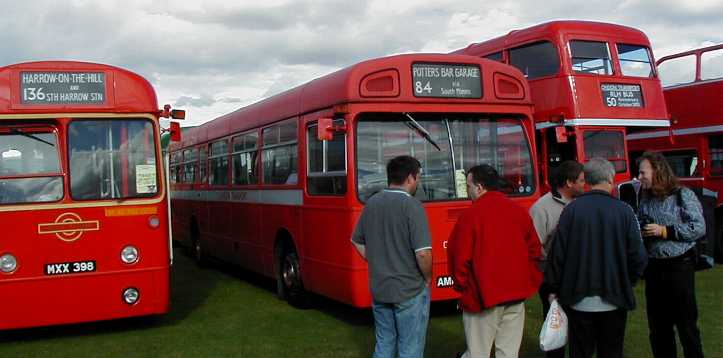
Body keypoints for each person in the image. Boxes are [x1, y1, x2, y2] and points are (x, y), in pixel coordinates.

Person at [545, 158, 648, 358]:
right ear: (610, 179)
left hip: (578, 297)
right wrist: (628, 280)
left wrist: (553, 287)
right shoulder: (624, 211)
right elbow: (638, 256)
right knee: (611, 351)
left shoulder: (571, 211)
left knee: (580, 351)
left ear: (588, 180)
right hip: (613, 297)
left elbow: (557, 255)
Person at [448, 164, 542, 358]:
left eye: (469, 186)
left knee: (477, 353)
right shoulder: (518, 211)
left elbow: (459, 258)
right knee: (508, 352)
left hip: (483, 298)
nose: (468, 191)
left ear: (480, 187)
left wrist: (463, 287)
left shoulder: (470, 216)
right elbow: (534, 250)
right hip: (515, 295)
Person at [351, 155, 432, 358]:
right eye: (418, 177)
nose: (418, 182)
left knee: (384, 344)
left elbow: (356, 240)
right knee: (410, 348)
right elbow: (423, 253)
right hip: (409, 289)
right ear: (411, 178)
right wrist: (428, 277)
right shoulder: (413, 206)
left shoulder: (372, 203)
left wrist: (377, 261)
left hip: (380, 287)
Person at [637, 151, 706, 358]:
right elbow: (642, 222)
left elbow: (699, 227)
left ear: (657, 171)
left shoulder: (682, 194)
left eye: (642, 173)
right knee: (658, 328)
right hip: (654, 268)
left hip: (679, 267)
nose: (639, 177)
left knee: (686, 326)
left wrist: (664, 231)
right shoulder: (645, 197)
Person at [529, 160, 585, 358]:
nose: (584, 185)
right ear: (569, 183)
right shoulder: (541, 208)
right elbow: (535, 248)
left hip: (578, 277)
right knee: (556, 328)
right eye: (581, 181)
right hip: (553, 279)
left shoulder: (581, 203)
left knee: (579, 328)